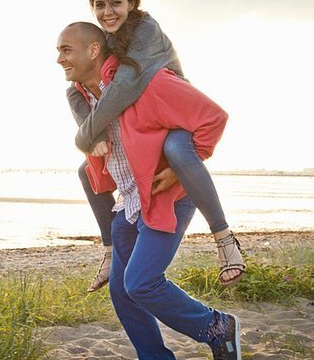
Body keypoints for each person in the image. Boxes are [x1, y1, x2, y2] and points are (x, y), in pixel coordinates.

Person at [57, 22, 241, 360]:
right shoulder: (83, 98)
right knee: (122, 292)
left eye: (66, 50)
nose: (59, 59)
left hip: (165, 198)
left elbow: (214, 117)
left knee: (141, 282)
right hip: (128, 201)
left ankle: (217, 327)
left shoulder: (144, 82)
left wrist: (176, 170)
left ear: (94, 50)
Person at [66, 0, 245, 289]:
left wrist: (84, 136)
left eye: (116, 3)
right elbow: (80, 86)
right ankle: (108, 250)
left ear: (132, 3)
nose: (107, 12)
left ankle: (224, 238)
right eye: (99, 5)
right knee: (86, 171)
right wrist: (94, 133)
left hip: (174, 115)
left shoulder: (145, 30)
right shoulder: (105, 39)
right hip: (141, 122)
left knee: (177, 150)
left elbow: (122, 88)